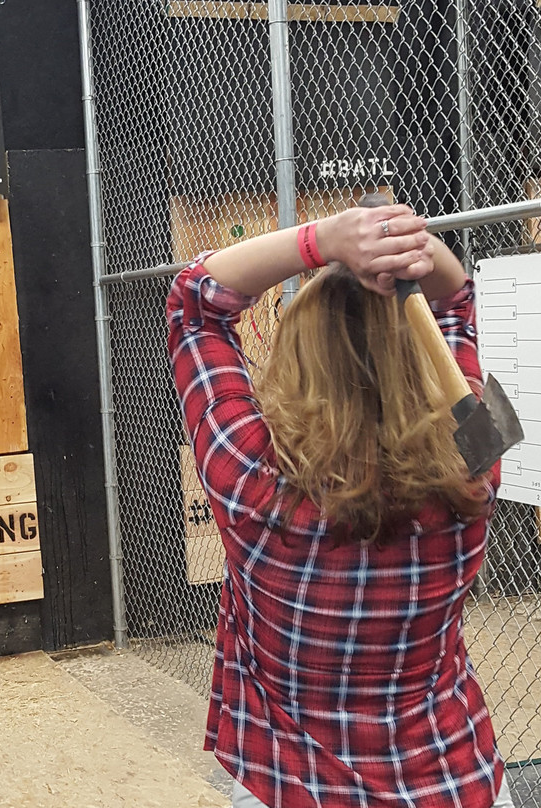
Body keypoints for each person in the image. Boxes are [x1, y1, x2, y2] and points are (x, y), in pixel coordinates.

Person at [167, 200, 511, 808]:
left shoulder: (252, 480)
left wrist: (323, 239)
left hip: (290, 786)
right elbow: (457, 304)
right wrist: (410, 248)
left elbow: (196, 303)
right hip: (453, 781)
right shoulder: (475, 459)